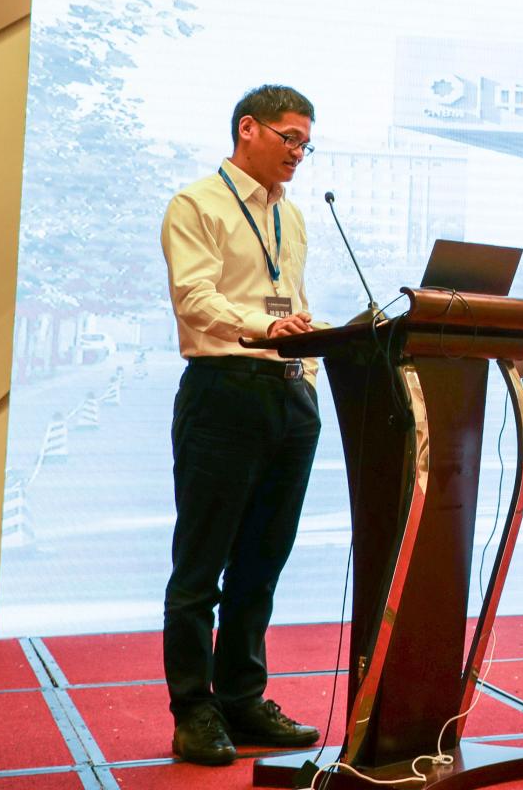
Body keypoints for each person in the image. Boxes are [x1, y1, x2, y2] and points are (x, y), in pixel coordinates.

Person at [158, 84, 326, 766]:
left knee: (261, 564)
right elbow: (195, 298)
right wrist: (263, 328)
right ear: (248, 128)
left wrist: (313, 363)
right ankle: (192, 711)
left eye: (306, 144)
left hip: (290, 397)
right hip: (224, 392)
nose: (298, 153)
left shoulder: (294, 217)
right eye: (290, 138)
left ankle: (242, 698)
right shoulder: (196, 204)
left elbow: (294, 302)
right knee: (201, 568)